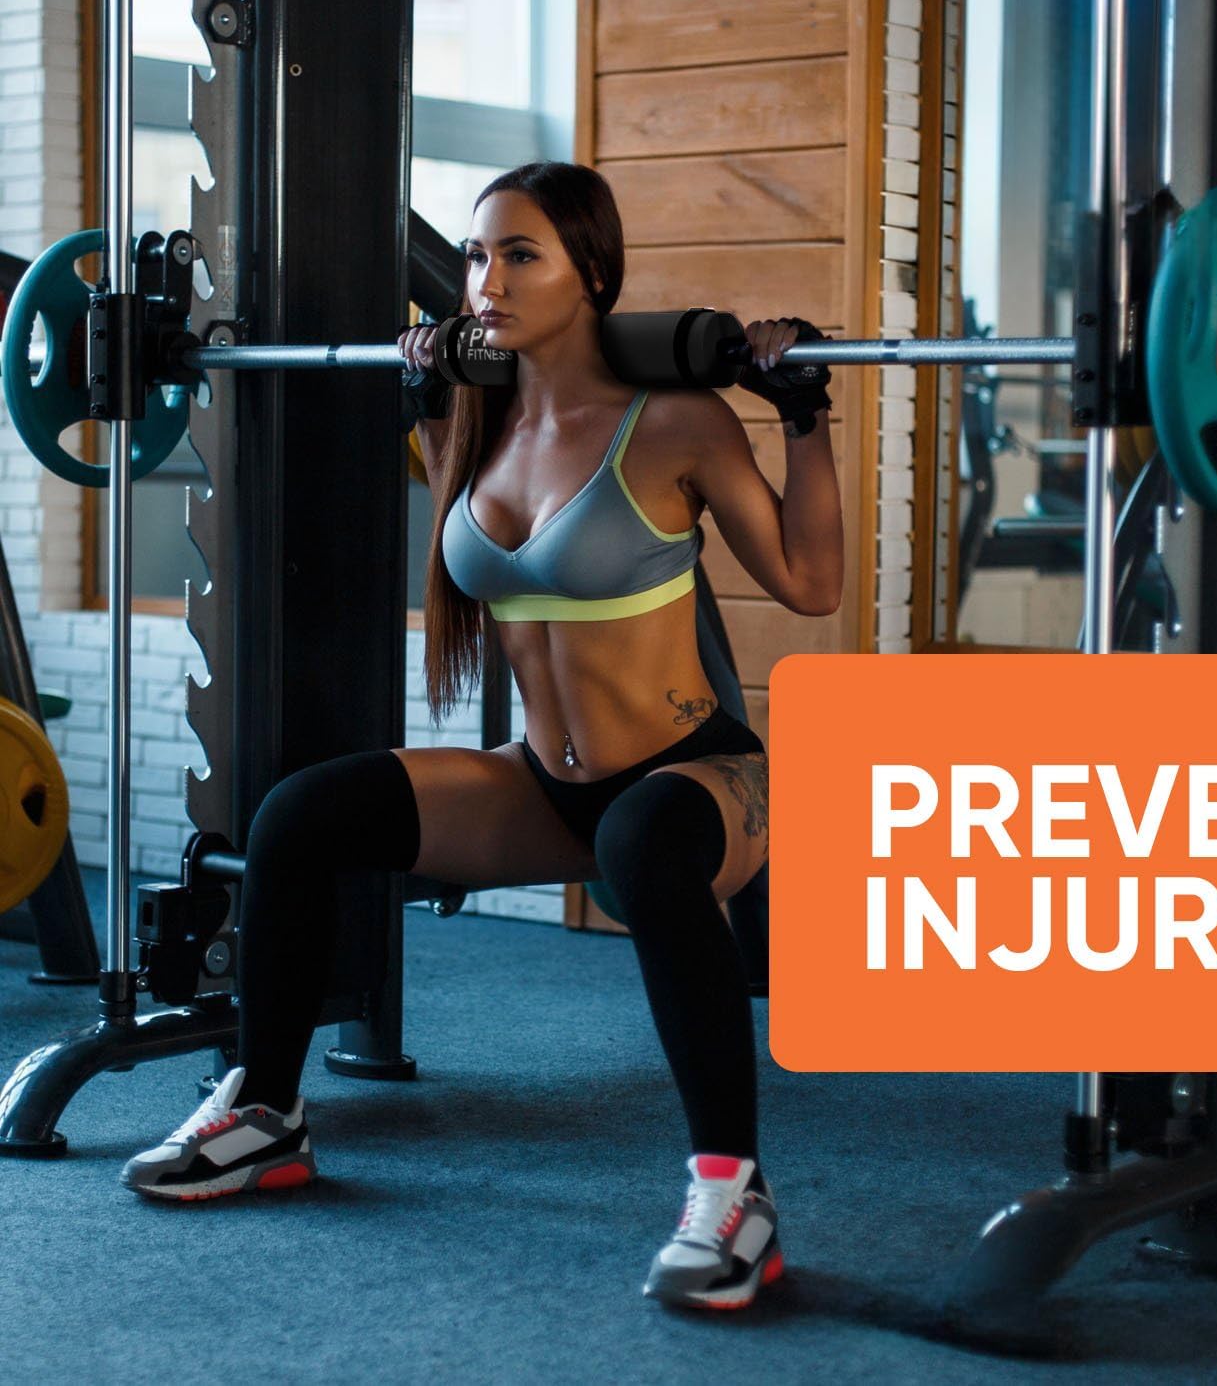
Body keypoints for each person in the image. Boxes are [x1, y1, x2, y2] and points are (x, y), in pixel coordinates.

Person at [121, 161, 844, 1312]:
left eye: (520, 255)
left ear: (591, 274)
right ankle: (266, 1111)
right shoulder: (486, 422)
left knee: (642, 843)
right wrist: (427, 401)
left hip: (694, 778)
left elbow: (811, 582)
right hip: (547, 787)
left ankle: (734, 1199)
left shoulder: (676, 422)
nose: (485, 282)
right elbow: (463, 544)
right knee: (299, 816)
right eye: (474, 256)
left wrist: (803, 415)